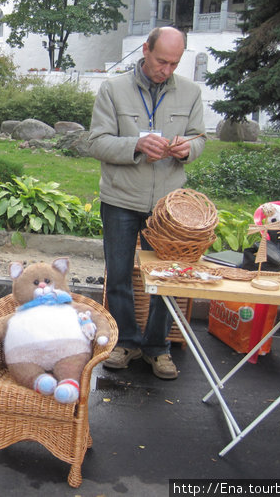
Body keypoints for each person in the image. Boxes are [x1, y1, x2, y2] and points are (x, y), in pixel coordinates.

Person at [88, 27, 206, 380]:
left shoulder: (190, 92)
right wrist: (136, 146)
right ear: (145, 50)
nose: (166, 70)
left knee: (166, 281)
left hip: (167, 210)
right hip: (121, 199)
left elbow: (200, 138)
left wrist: (188, 149)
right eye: (160, 61)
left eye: (174, 63)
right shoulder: (113, 89)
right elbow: (96, 143)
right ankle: (125, 342)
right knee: (120, 276)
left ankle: (158, 347)